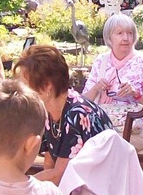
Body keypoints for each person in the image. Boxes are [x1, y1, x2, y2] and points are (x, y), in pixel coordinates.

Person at [13, 44, 112, 185]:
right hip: (76, 190)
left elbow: (59, 175)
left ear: (47, 85)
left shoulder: (77, 114)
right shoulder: (49, 109)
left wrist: (17, 184)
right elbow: (49, 161)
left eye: (25, 84)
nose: (21, 90)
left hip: (98, 193)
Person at [82, 13, 143, 133]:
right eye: (119, 33)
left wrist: (135, 93)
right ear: (109, 38)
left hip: (134, 130)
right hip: (102, 128)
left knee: (104, 147)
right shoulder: (101, 60)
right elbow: (83, 101)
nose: (126, 38)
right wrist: (97, 88)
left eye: (129, 33)